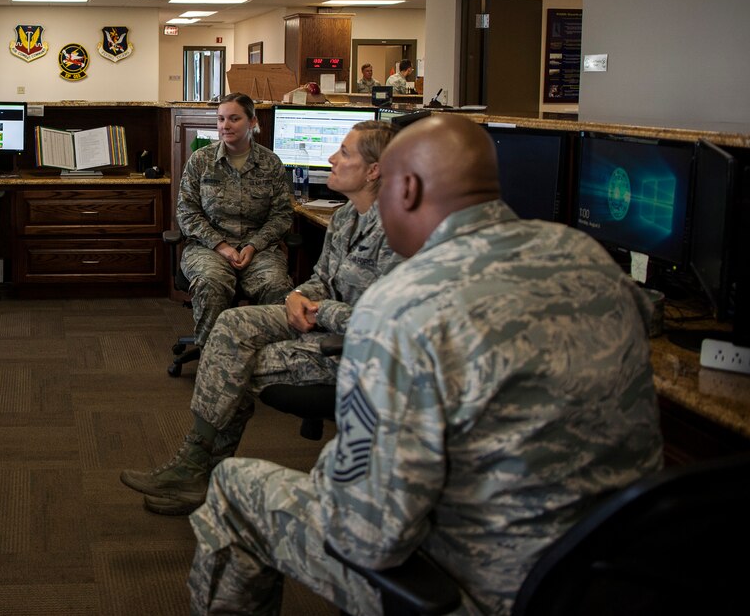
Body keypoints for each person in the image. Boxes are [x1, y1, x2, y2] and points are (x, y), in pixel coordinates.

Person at [187, 114, 664, 615]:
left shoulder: (405, 303)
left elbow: (367, 534)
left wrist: (333, 469)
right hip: (615, 577)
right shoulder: (586, 258)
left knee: (235, 491)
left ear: (407, 187)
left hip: (487, 589)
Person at [122, 120, 402, 515]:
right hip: (311, 315)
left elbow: (390, 321)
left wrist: (316, 306)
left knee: (233, 362)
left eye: (344, 152)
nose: (331, 158)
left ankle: (198, 473)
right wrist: (303, 294)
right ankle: (196, 466)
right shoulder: (345, 218)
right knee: (232, 326)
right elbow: (322, 278)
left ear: (374, 170)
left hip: (358, 350)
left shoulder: (399, 231)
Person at [176, 92, 293, 347]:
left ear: (252, 121)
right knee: (212, 283)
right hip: (208, 248)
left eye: (234, 118)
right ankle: (213, 357)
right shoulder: (201, 161)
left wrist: (253, 246)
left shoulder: (270, 163)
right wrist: (222, 247)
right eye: (220, 119)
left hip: (259, 248)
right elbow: (187, 212)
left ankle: (272, 358)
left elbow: (282, 215)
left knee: (276, 285)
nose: (225, 126)